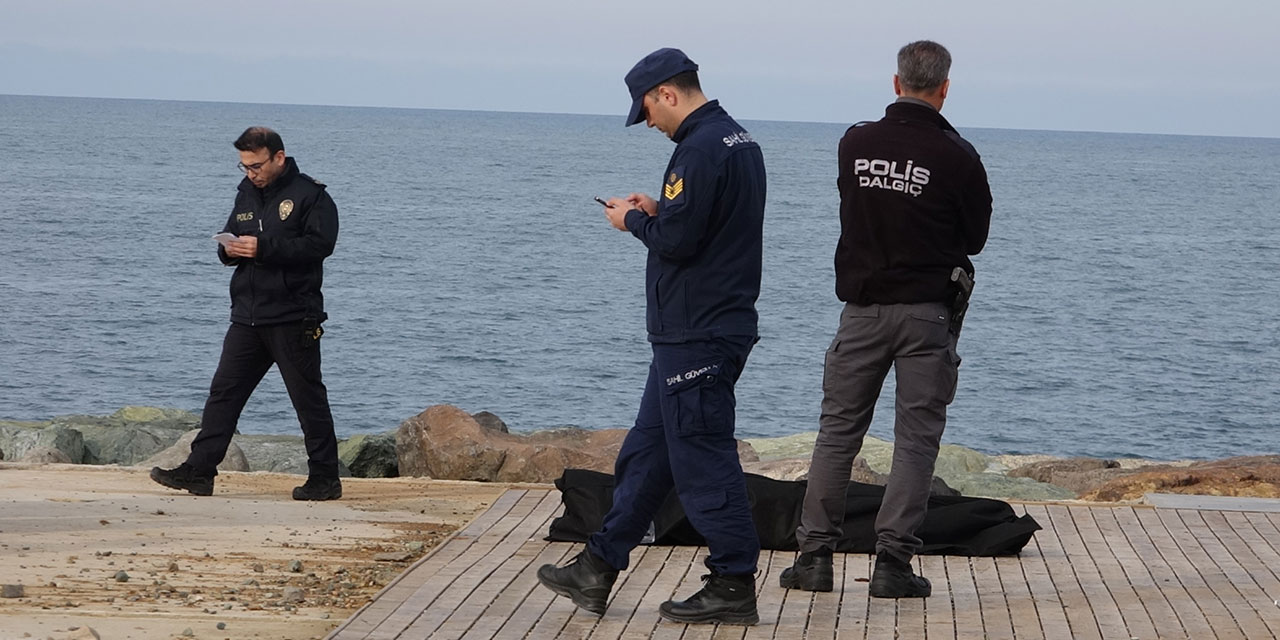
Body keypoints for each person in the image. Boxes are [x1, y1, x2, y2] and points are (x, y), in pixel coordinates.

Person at [536, 48, 767, 625]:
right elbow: (703, 226)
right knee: (648, 452)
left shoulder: (697, 149)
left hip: (699, 330)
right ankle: (598, 566)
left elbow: (680, 244)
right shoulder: (738, 141)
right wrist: (657, 209)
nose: (648, 125)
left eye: (646, 112)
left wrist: (632, 220)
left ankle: (734, 581)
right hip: (697, 328)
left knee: (704, 458)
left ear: (668, 93)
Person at [780, 40, 993, 598]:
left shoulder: (856, 143)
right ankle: (893, 565)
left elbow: (853, 202)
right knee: (916, 442)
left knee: (837, 435)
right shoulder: (959, 156)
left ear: (895, 83)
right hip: (927, 314)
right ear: (944, 89)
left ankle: (815, 558)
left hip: (862, 311)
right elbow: (975, 239)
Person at [151, 127, 343, 501]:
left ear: (279, 158)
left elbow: (321, 245)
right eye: (244, 167)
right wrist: (228, 251)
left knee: (308, 399)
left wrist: (264, 248)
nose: (250, 173)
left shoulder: (311, 196)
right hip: (247, 315)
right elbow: (231, 235)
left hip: (292, 315)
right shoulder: (246, 193)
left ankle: (325, 478)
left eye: (256, 165)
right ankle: (199, 470)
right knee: (223, 393)